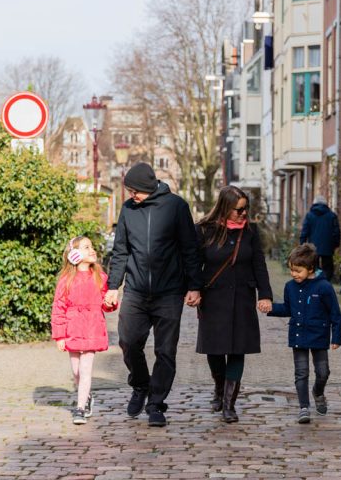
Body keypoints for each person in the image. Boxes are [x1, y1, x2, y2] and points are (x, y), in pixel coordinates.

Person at [104, 162, 203, 427]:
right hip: (136, 290)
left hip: (169, 292)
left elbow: (190, 249)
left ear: (148, 188)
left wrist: (194, 286)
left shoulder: (176, 207)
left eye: (135, 191)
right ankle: (140, 385)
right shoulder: (128, 210)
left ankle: (156, 404)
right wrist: (113, 287)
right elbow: (120, 251)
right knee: (128, 341)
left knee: (165, 351)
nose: (131, 196)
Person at [195, 186, 273, 423]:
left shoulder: (250, 231)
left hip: (242, 297)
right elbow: (194, 263)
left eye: (246, 209)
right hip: (213, 298)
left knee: (238, 349)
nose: (243, 213)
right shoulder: (205, 230)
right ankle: (219, 387)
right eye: (239, 209)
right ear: (225, 207)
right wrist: (193, 289)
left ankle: (229, 403)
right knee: (214, 350)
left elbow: (259, 264)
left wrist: (265, 294)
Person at [263, 243, 341, 424]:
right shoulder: (290, 286)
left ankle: (318, 392)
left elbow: (335, 314)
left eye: (298, 271)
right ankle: (304, 407)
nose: (294, 274)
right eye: (291, 270)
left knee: (323, 372)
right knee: (301, 373)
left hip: (319, 336)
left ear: (311, 268)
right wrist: (270, 308)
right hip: (298, 335)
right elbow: (288, 308)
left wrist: (336, 337)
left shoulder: (324, 287)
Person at [52, 236, 118, 425]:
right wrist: (60, 336)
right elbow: (58, 308)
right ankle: (86, 397)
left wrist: (109, 303)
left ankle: (80, 407)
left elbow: (107, 303)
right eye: (86, 247)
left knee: (86, 369)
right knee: (76, 371)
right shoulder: (66, 281)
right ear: (74, 254)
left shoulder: (100, 277)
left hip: (92, 327)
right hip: (73, 328)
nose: (92, 250)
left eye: (92, 246)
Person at [299, 195, 341, 283]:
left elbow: (304, 231)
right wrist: (335, 244)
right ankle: (325, 284)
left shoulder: (309, 215)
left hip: (313, 247)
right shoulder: (332, 215)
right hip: (328, 246)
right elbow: (336, 232)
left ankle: (316, 284)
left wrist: (302, 244)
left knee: (314, 267)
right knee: (328, 267)